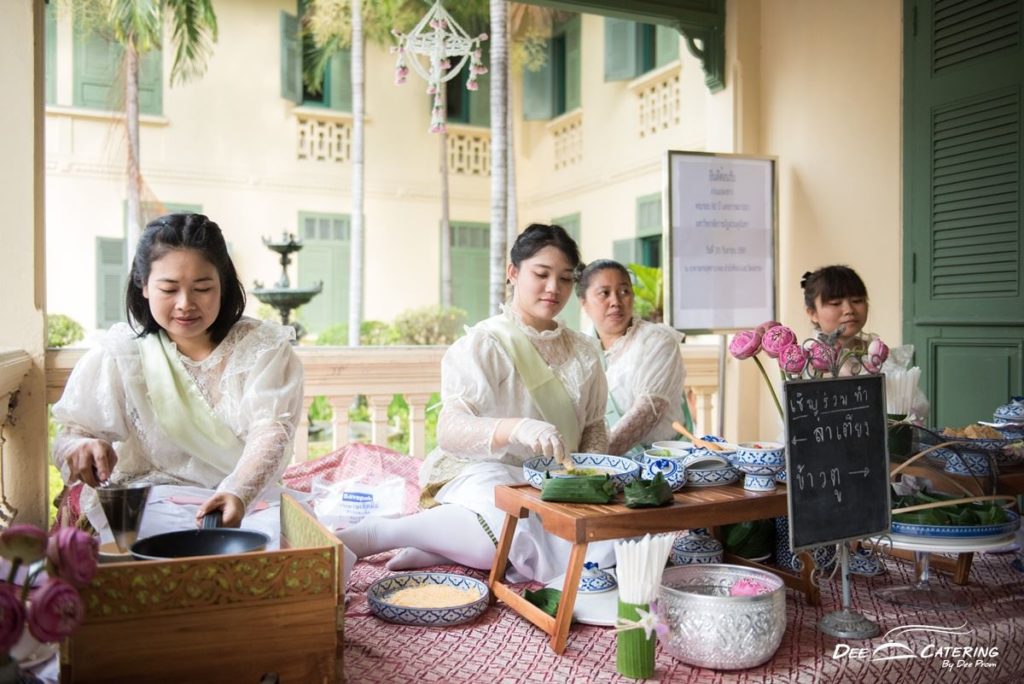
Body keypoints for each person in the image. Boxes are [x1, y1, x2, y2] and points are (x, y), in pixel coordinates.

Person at [339, 224, 611, 583]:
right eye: (541, 274)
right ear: (513, 273)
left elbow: (593, 425)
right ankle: (381, 533)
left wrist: (592, 474)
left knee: (604, 542)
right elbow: (450, 429)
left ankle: (439, 545)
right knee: (505, 533)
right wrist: (516, 427)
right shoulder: (485, 343)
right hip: (487, 469)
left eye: (564, 278)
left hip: (557, 479)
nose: (553, 288)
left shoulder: (585, 350)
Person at [52, 213, 304, 528]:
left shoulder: (263, 349)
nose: (185, 303)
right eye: (169, 289)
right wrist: (81, 446)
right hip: (145, 502)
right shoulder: (122, 355)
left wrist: (238, 491)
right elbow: (71, 436)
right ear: (143, 286)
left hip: (244, 502)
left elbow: (271, 431)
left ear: (222, 285)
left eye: (202, 287)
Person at [576, 259, 687, 455]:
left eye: (624, 292)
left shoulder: (656, 342)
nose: (616, 302)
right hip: (596, 463)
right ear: (583, 302)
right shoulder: (577, 347)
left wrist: (591, 463)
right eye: (604, 293)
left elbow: (647, 412)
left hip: (657, 466)